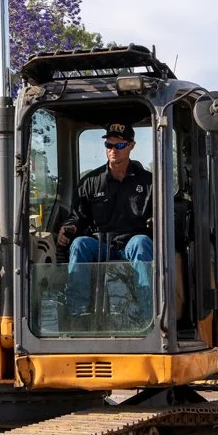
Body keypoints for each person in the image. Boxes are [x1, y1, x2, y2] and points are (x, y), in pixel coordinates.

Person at [52, 122, 153, 320]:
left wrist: (155, 222)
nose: (113, 150)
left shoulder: (148, 181)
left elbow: (163, 213)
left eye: (119, 145)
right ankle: (77, 314)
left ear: (132, 145)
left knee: (142, 243)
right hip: (100, 244)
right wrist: (69, 227)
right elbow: (78, 215)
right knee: (80, 244)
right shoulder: (90, 181)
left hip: (131, 243)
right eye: (109, 145)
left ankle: (147, 313)